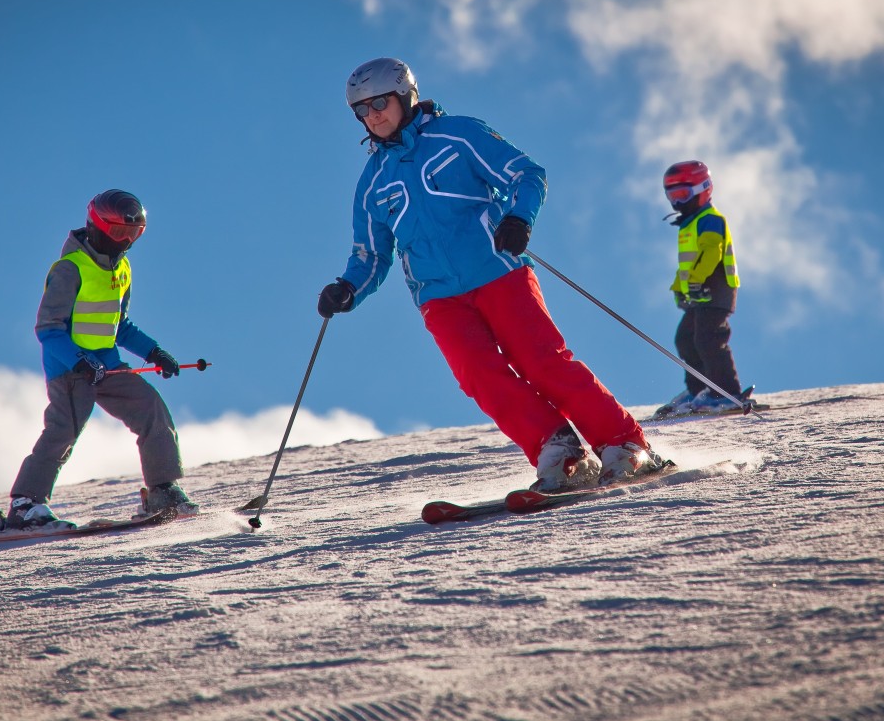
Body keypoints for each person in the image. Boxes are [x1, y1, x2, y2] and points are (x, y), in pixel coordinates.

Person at [317, 57, 667, 492]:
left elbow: (526, 174)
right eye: (362, 111)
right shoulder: (372, 183)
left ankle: (624, 445)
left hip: (498, 272)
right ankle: (559, 451)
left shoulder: (458, 135)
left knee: (540, 361)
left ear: (405, 96)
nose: (373, 116)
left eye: (381, 103)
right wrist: (348, 287)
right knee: (479, 377)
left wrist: (519, 219)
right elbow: (371, 254)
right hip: (439, 297)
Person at [1, 189, 195, 531]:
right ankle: (26, 505)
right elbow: (48, 328)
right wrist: (78, 361)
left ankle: (162, 490)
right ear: (97, 226)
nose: (126, 242)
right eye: (120, 232)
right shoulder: (70, 269)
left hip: (107, 365)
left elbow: (119, 326)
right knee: (64, 431)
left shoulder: (122, 269)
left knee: (151, 408)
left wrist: (155, 352)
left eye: (134, 234)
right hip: (70, 369)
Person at [656, 160, 744, 416]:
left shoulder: (711, 220)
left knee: (708, 338)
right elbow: (686, 264)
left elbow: (711, 252)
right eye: (672, 195)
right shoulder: (688, 224)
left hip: (716, 287)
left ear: (702, 188)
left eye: (683, 194)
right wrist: (679, 287)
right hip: (697, 290)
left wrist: (697, 280)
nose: (677, 202)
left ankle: (726, 393)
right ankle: (698, 390)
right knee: (685, 339)